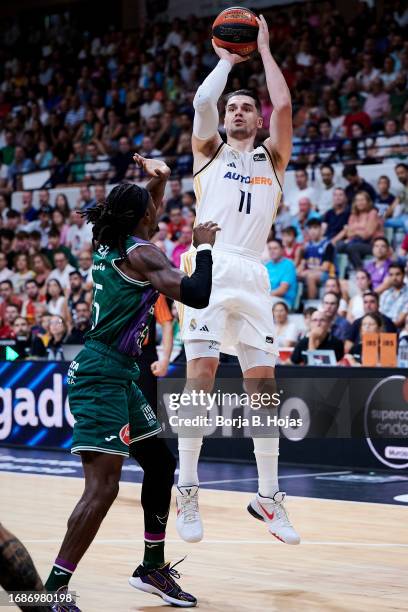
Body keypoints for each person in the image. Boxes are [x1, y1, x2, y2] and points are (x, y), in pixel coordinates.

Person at [44, 157, 218, 609]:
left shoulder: (111, 240)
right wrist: (202, 249)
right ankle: (52, 591)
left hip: (118, 374)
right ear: (144, 217)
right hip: (100, 375)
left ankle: (152, 568)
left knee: (159, 464)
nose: (158, 212)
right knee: (102, 488)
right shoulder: (144, 254)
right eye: (153, 208)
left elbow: (145, 208)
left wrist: (157, 180)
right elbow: (197, 294)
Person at [176, 15, 300, 546]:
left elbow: (287, 108)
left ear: (258, 118)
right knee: (201, 372)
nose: (239, 111)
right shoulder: (208, 154)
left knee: (263, 386)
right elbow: (203, 104)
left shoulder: (273, 158)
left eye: (248, 107)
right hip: (210, 261)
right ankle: (186, 489)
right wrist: (227, 60)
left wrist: (266, 52)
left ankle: (268, 496)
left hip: (253, 270)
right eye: (234, 108)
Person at [336, 191, 383, 269]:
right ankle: (337, 272)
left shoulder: (372, 213)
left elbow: (367, 234)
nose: (360, 203)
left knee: (352, 248)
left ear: (368, 202)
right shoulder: (353, 215)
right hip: (355, 242)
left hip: (373, 245)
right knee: (339, 246)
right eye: (357, 200)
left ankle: (360, 271)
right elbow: (349, 234)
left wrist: (354, 231)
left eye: (362, 200)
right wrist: (359, 231)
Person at [297, 218, 335, 299]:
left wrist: (308, 271)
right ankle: (296, 305)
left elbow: (325, 268)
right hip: (311, 271)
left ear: (321, 229)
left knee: (310, 277)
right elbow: (303, 264)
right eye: (310, 228)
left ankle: (311, 303)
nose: (312, 231)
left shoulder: (327, 245)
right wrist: (298, 271)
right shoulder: (307, 245)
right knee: (294, 274)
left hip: (328, 274)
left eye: (315, 228)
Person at [379, 263, 408, 329]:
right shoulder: (385, 293)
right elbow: (380, 315)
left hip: (398, 330)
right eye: (391, 275)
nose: (394, 278)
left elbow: (399, 322)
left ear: (404, 275)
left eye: (397, 274)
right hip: (382, 329)